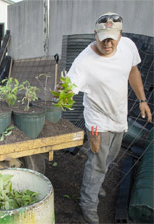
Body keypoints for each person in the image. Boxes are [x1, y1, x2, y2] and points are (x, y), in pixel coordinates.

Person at [62, 12, 152, 223]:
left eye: (113, 37)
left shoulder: (128, 46)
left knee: (110, 156)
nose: (108, 43)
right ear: (95, 35)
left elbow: (133, 71)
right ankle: (88, 203)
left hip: (118, 117)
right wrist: (61, 91)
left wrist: (142, 100)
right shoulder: (84, 61)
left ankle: (96, 181)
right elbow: (66, 93)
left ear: (121, 34)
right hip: (98, 121)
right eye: (103, 38)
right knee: (97, 162)